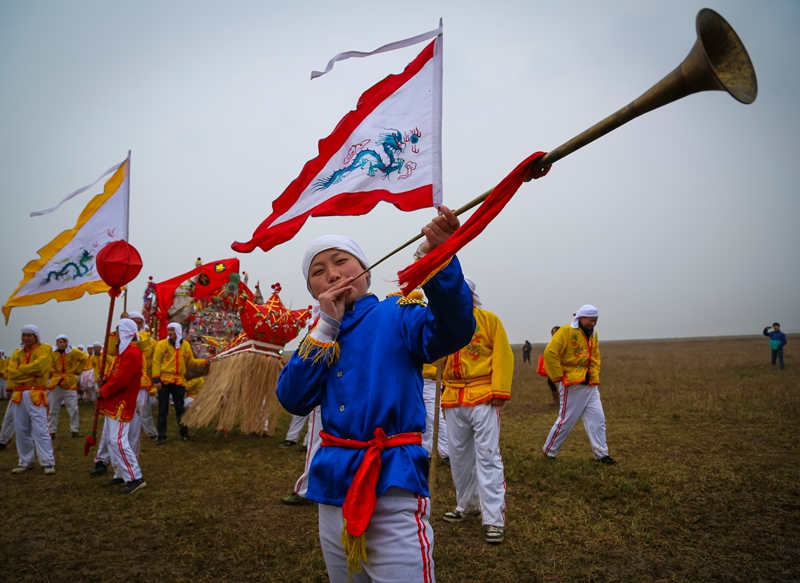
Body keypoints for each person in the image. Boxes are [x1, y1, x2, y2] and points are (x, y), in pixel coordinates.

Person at [276, 206, 474, 583]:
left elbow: (453, 329)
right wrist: (326, 326)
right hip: (332, 487)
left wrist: (440, 259)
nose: (332, 274)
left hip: (392, 481)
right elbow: (293, 398)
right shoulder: (320, 337)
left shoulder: (398, 313)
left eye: (341, 262)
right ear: (313, 290)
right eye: (318, 272)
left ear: (365, 271)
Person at [440, 276, 513, 545]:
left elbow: (503, 354)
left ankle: (494, 519)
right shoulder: (443, 323)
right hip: (452, 397)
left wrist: (499, 391)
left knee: (488, 455)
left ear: (471, 295)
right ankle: (467, 505)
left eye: (462, 293)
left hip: (483, 395)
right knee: (459, 457)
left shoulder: (489, 321)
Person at [542, 305, 617, 465]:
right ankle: (549, 452)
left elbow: (596, 355)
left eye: (596, 320)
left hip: (591, 383)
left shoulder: (593, 334)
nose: (593, 323)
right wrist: (557, 376)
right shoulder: (566, 331)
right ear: (581, 318)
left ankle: (602, 454)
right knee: (566, 420)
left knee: (598, 419)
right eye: (591, 320)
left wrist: (595, 370)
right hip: (572, 383)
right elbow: (550, 352)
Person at [97, 318, 146, 494]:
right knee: (111, 441)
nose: (114, 334)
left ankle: (135, 477)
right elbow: (115, 375)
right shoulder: (122, 352)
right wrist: (104, 381)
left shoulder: (132, 353)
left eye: (116, 330)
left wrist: (103, 390)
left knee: (118, 440)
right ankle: (120, 474)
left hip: (122, 402)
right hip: (114, 401)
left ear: (124, 332)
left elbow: (122, 380)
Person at [6, 325, 56, 474]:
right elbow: (11, 373)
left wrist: (21, 370)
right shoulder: (16, 353)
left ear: (36, 337)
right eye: (24, 335)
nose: (26, 338)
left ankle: (47, 462)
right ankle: (25, 461)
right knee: (21, 429)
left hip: (36, 393)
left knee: (40, 428)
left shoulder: (45, 349)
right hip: (19, 394)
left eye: (29, 335)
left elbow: (40, 367)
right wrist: (30, 373)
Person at [152, 322, 208, 445]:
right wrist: (156, 380)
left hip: (179, 382)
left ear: (178, 331)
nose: (170, 332)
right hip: (164, 381)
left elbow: (191, 361)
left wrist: (205, 362)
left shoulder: (186, 346)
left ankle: (184, 434)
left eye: (172, 330)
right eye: (169, 330)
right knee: (163, 409)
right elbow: (156, 362)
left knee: (180, 409)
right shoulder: (162, 345)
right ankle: (161, 436)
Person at [46, 334, 88, 438]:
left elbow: (85, 358)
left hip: (69, 383)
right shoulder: (51, 353)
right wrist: (50, 373)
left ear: (67, 342)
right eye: (59, 342)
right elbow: (44, 362)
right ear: (56, 343)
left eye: (63, 342)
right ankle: (52, 431)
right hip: (56, 383)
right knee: (53, 409)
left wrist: (77, 371)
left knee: (73, 408)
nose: (62, 344)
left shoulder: (74, 352)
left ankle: (74, 430)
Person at [544, 326, 560, 406]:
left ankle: (560, 400)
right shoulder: (552, 342)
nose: (554, 333)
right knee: (550, 381)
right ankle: (556, 399)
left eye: (555, 331)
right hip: (554, 365)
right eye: (553, 332)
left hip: (562, 365)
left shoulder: (561, 341)